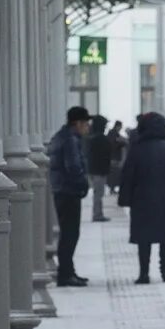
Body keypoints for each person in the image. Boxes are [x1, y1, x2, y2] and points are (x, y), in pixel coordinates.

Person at [117, 110, 165, 283]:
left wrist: (124, 199)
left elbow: (128, 176)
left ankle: (144, 274)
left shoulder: (137, 150)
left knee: (144, 239)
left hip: (142, 200)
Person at [46, 105, 92, 287]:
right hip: (68, 191)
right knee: (70, 234)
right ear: (78, 123)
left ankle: (68, 271)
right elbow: (73, 166)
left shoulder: (61, 136)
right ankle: (65, 274)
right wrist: (83, 184)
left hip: (61, 190)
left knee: (68, 233)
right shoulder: (71, 140)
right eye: (86, 123)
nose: (87, 127)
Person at [86, 115, 121, 223]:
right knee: (98, 194)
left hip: (94, 170)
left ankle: (98, 213)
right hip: (99, 171)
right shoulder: (100, 139)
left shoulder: (91, 138)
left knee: (98, 193)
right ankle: (97, 214)